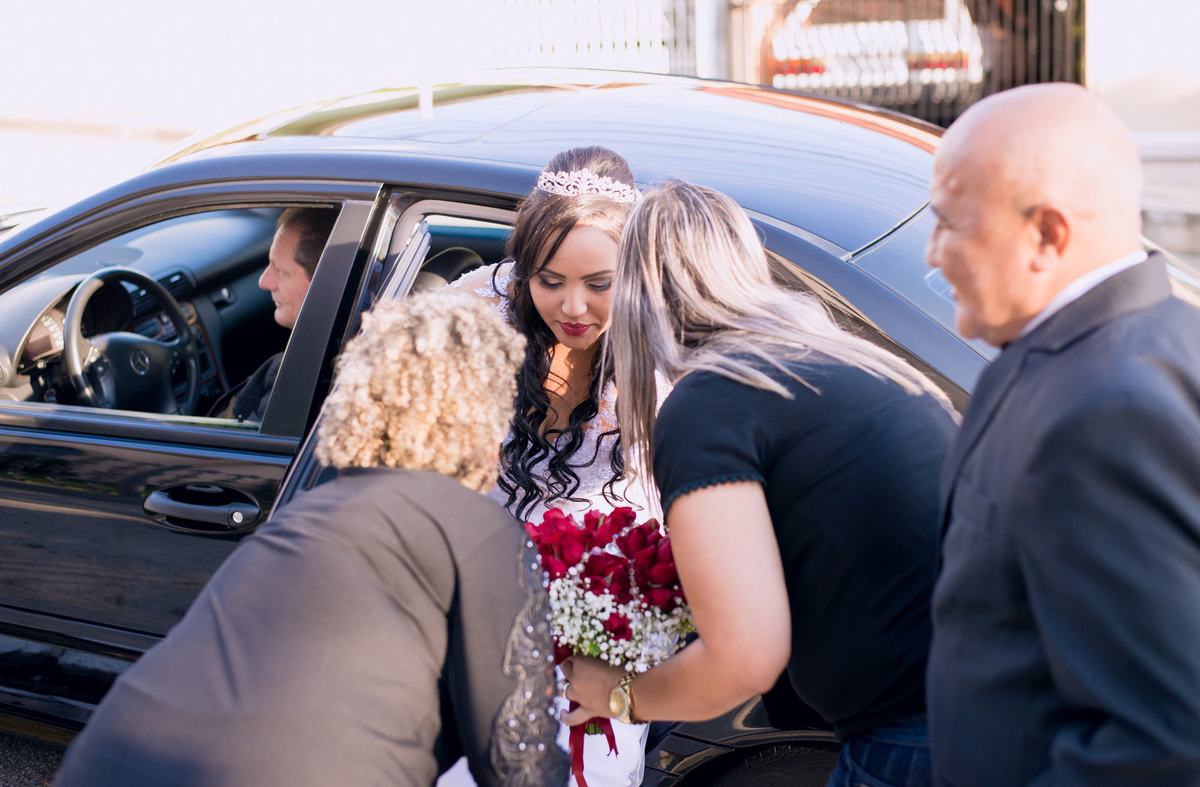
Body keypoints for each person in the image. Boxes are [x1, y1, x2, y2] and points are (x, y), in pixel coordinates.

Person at [53, 294, 569, 787]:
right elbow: (515, 756)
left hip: (108, 759)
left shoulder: (309, 516)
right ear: (483, 417)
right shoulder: (477, 529)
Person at [560, 179, 959, 787]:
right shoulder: (845, 360)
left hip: (913, 741)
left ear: (637, 294)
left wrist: (621, 695)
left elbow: (744, 656)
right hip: (988, 709)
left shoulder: (711, 401)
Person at [922, 83, 1200, 786]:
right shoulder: (1108, 347)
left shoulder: (1107, 414)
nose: (931, 253)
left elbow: (1160, 741)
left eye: (949, 223)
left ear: (1047, 234)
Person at [440, 146, 658, 787]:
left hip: (604, 659)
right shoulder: (481, 326)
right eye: (549, 280)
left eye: (599, 285)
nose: (572, 308)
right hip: (480, 647)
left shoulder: (661, 358)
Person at [226, 205, 338, 422]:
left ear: (324, 281)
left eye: (282, 272)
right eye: (269, 265)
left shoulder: (293, 381)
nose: (263, 282)